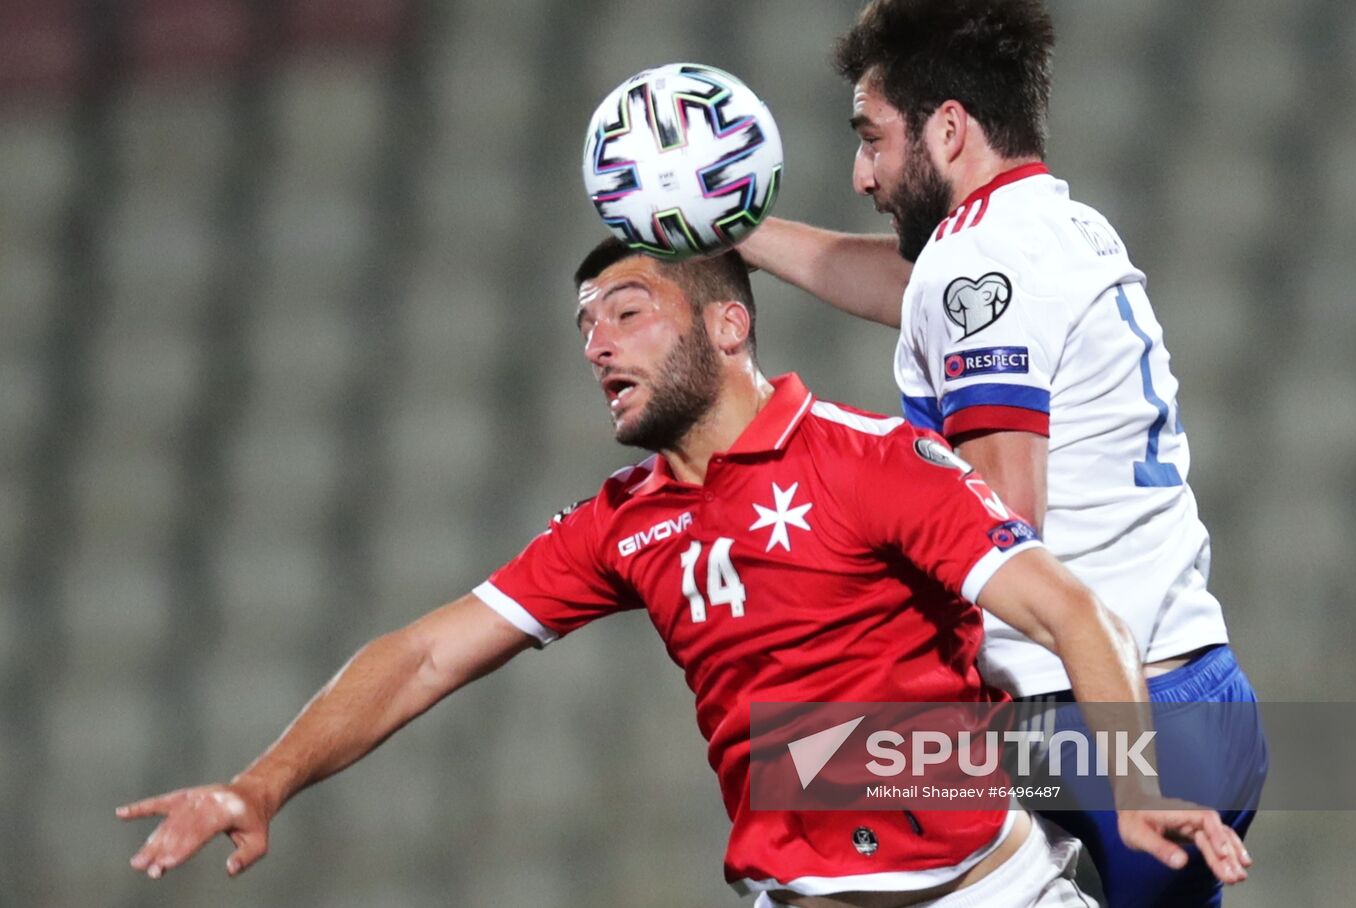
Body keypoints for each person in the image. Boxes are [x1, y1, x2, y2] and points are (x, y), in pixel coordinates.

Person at [118, 238, 1250, 907]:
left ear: (724, 321)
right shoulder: (621, 524)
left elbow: (1067, 606)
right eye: (583, 325)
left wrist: (1135, 776)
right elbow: (420, 653)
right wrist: (260, 782)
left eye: (626, 311)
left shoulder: (873, 462)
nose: (595, 344)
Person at [736, 1, 1268, 905]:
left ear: (947, 128)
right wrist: (733, 230)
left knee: (806, 785)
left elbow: (1000, 518)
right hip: (1199, 700)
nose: (862, 174)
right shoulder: (1056, 227)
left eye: (873, 138)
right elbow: (909, 287)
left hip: (1095, 731)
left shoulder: (979, 265)